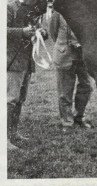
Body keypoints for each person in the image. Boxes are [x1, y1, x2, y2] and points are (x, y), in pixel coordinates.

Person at [7, 0, 48, 150]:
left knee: (19, 99)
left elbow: (39, 29)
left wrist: (43, 32)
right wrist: (21, 32)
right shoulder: (9, 7)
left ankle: (13, 132)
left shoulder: (33, 8)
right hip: (12, 61)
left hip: (26, 61)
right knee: (10, 99)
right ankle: (4, 138)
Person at [49, 11, 92, 132]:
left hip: (83, 55)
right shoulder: (59, 11)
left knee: (86, 86)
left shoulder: (86, 8)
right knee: (65, 90)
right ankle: (67, 122)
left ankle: (79, 117)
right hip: (65, 55)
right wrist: (64, 45)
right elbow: (53, 32)